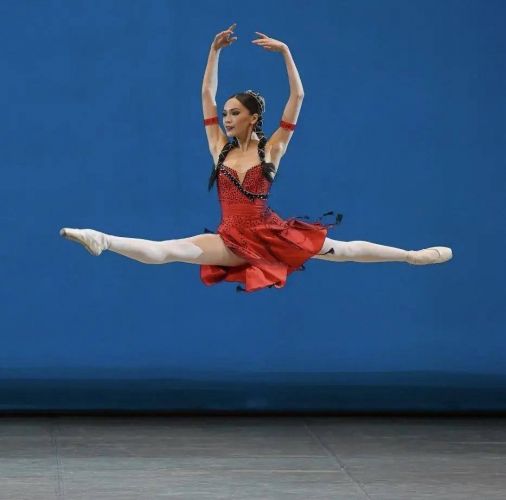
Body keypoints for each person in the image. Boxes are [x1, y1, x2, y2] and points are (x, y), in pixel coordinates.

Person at [60, 23, 452, 293]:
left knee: (342, 251)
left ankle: (412, 256)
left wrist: (286, 53)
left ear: (252, 117)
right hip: (232, 238)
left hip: (271, 234)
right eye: (225, 113)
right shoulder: (219, 146)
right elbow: (205, 95)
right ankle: (102, 239)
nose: (227, 118)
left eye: (234, 113)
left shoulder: (272, 149)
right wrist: (213, 52)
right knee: (167, 251)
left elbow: (298, 97)